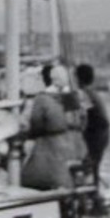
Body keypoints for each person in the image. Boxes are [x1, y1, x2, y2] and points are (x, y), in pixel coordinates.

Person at [20, 63, 87, 192]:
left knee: (35, 177)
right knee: (73, 179)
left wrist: (28, 134)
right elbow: (81, 119)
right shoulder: (72, 96)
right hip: (74, 145)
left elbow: (36, 124)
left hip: (51, 147)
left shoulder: (42, 99)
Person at [75, 63, 110, 188]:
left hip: (96, 133)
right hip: (102, 132)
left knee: (90, 164)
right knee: (94, 165)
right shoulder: (92, 93)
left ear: (78, 78)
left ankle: (92, 194)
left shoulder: (84, 94)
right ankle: (94, 191)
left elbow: (83, 115)